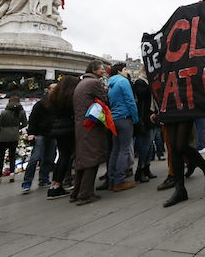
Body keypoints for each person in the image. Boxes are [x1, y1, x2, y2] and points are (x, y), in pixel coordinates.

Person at [72, 61, 110, 205]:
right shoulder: (94, 83)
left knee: (82, 159)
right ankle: (85, 194)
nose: (103, 71)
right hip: (90, 125)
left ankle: (76, 192)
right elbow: (105, 99)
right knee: (91, 158)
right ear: (94, 70)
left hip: (81, 125)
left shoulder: (82, 83)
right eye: (101, 69)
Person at [162, 119, 205, 208]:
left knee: (181, 145)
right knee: (174, 147)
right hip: (169, 109)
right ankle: (180, 189)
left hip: (185, 109)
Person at [46, 76, 80, 200]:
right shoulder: (70, 97)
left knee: (61, 157)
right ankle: (57, 186)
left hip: (57, 129)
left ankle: (54, 184)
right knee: (66, 157)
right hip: (67, 129)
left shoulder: (55, 97)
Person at [107, 63, 138, 192]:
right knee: (124, 149)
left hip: (114, 118)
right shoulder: (123, 82)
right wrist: (135, 117)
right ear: (119, 71)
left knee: (115, 149)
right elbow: (130, 100)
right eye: (125, 69)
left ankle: (111, 179)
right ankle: (119, 181)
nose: (126, 72)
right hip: (124, 117)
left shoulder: (111, 84)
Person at [22, 84, 58, 193]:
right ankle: (27, 182)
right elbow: (33, 119)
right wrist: (31, 133)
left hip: (52, 134)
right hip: (40, 134)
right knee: (35, 157)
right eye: (54, 89)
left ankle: (44, 178)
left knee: (49, 157)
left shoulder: (58, 103)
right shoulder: (40, 104)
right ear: (48, 90)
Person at [0, 97, 27, 184]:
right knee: (12, 156)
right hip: (14, 136)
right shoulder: (21, 112)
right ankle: (12, 174)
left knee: (1, 157)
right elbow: (25, 123)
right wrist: (16, 128)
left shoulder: (4, 113)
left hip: (2, 137)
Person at [132, 76, 158, 183]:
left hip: (152, 115)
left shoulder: (148, 81)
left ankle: (146, 167)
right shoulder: (140, 82)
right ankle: (140, 169)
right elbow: (141, 94)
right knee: (146, 143)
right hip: (145, 116)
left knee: (150, 143)